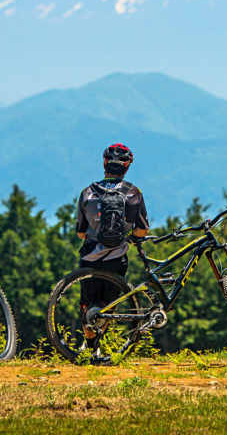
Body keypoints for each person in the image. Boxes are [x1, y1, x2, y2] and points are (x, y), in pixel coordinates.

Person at [74, 143, 150, 345]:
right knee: (108, 306)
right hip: (117, 258)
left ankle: (89, 343)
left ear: (104, 163)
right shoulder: (134, 193)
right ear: (127, 167)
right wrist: (130, 236)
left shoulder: (87, 192)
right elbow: (142, 230)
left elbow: (81, 233)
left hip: (89, 256)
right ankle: (98, 341)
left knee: (87, 304)